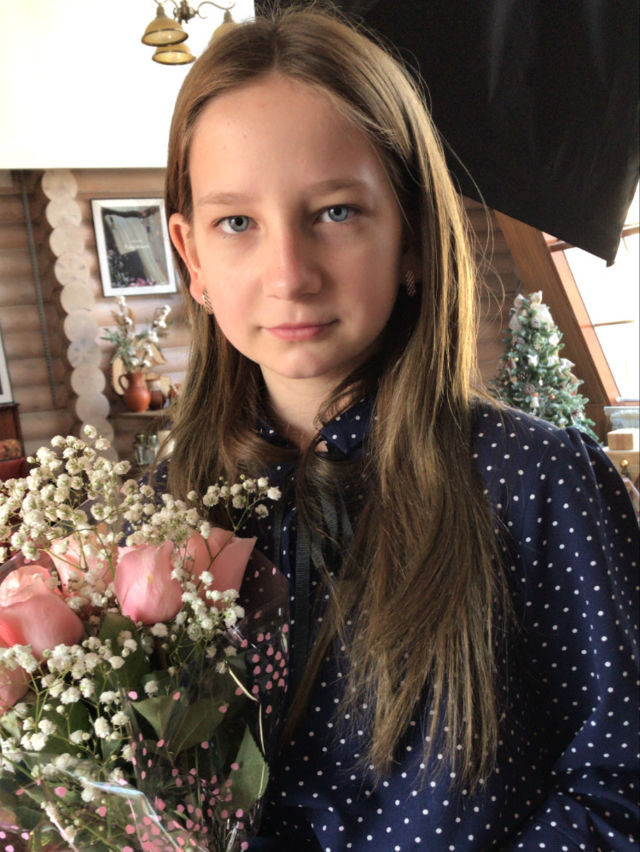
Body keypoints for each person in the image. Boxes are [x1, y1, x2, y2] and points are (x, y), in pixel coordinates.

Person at [163, 6, 639, 850]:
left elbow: (620, 785)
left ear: (412, 234)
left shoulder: (537, 482)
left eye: (336, 212)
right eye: (237, 223)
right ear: (192, 255)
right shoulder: (157, 513)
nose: (289, 275)